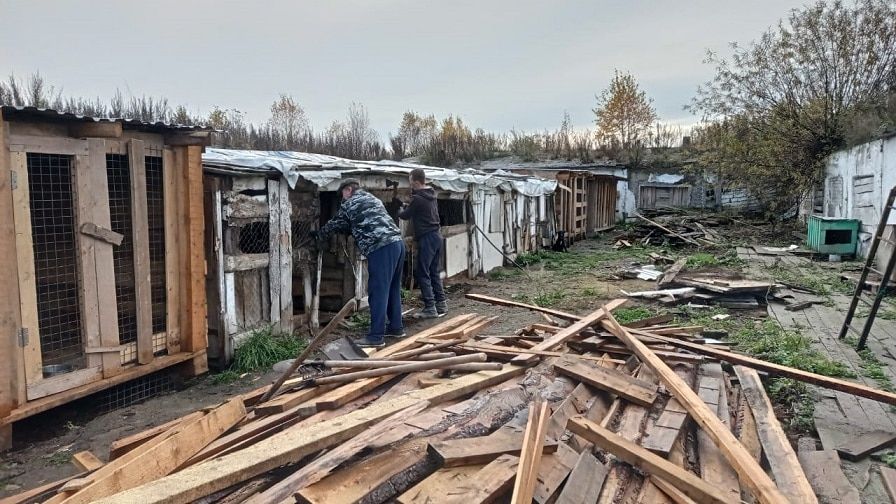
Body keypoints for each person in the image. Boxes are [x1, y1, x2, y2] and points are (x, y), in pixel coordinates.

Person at [312, 178, 406, 348]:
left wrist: (320, 235)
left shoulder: (351, 203)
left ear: (348, 190)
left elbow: (336, 223)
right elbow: (364, 222)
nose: (342, 199)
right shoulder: (373, 199)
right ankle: (396, 327)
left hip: (381, 247)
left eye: (342, 195)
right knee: (392, 287)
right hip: (397, 243)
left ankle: (376, 337)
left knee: (378, 291)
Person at [398, 168, 447, 319]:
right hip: (436, 236)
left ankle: (430, 308)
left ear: (417, 182)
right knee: (434, 272)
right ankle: (441, 303)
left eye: (411, 183)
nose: (410, 186)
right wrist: (409, 205)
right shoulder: (431, 195)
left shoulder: (418, 199)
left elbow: (405, 216)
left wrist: (398, 209)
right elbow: (419, 210)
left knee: (422, 273)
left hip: (427, 238)